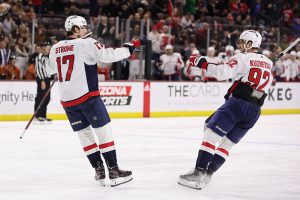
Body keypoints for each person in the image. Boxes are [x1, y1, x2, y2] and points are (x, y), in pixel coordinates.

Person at [48, 15, 141, 187]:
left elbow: (50, 70)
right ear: (75, 30)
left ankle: (99, 170)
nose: (85, 29)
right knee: (103, 131)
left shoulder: (55, 48)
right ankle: (113, 170)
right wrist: (129, 48)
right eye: (82, 27)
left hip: (67, 101)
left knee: (84, 135)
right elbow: (107, 55)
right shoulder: (87, 43)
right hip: (87, 97)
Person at [178, 30, 273, 190]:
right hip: (255, 110)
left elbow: (223, 73)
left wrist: (201, 62)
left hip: (238, 104)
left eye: (243, 41)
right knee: (226, 144)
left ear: (250, 44)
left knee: (210, 134)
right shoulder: (269, 63)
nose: (240, 45)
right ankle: (208, 173)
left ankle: (198, 174)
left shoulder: (242, 57)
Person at [34, 42, 52, 122]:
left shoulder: (47, 57)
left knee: (47, 98)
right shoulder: (39, 57)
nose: (49, 50)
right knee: (40, 97)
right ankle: (37, 115)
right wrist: (42, 80)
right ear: (43, 48)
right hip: (42, 79)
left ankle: (43, 115)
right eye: (48, 48)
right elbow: (38, 69)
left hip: (47, 79)